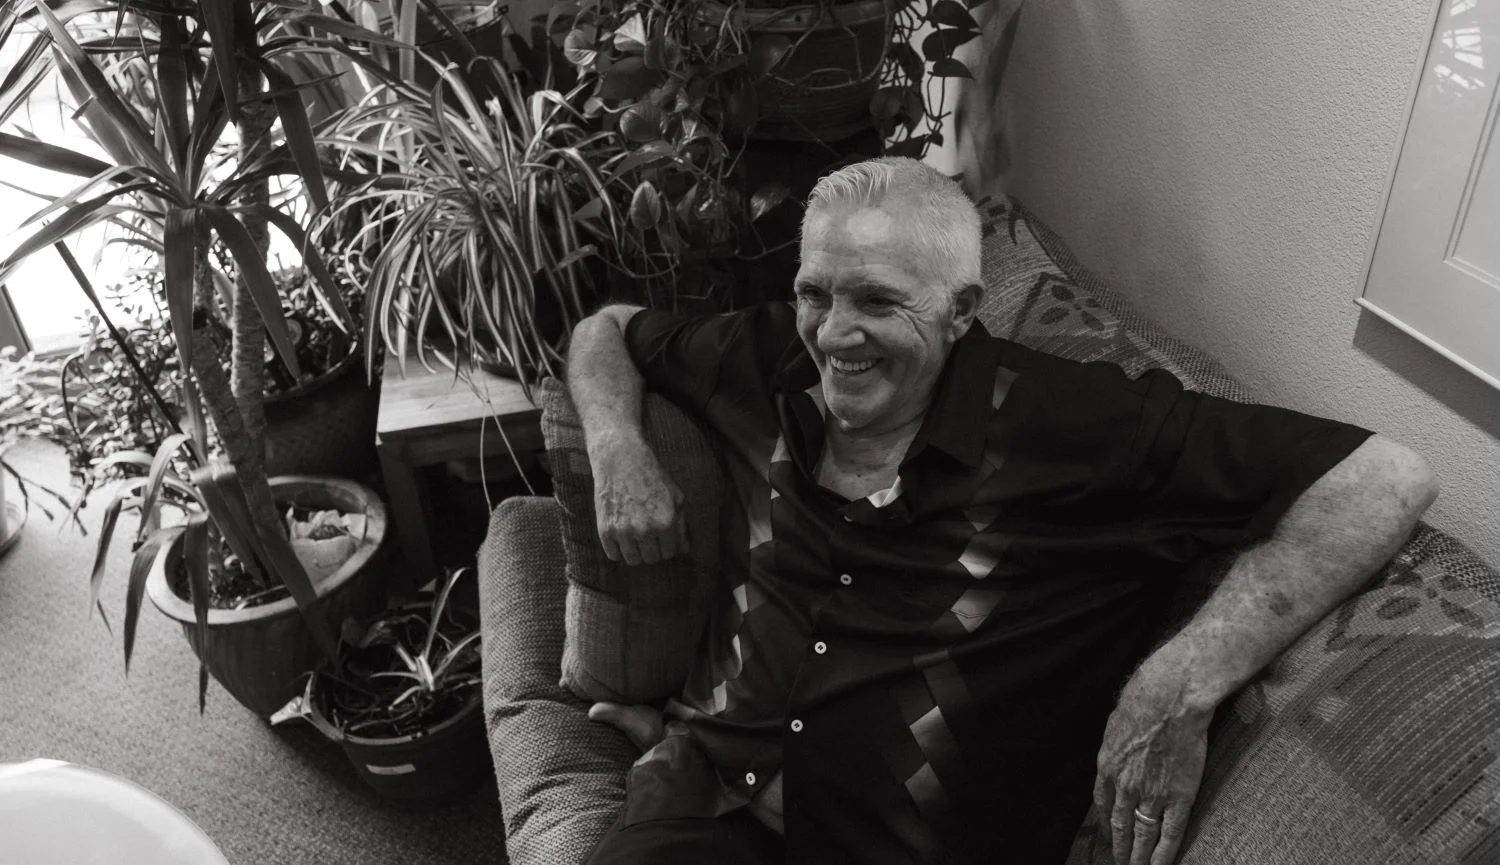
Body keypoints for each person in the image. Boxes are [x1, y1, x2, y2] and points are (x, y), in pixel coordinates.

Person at [565, 157, 1437, 865]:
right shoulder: (765, 361)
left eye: (876, 300)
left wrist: (1182, 682)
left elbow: (1383, 478)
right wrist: (617, 449)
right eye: (815, 293)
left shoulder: (1074, 428)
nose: (833, 333)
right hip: (704, 800)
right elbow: (604, 329)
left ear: (960, 312)